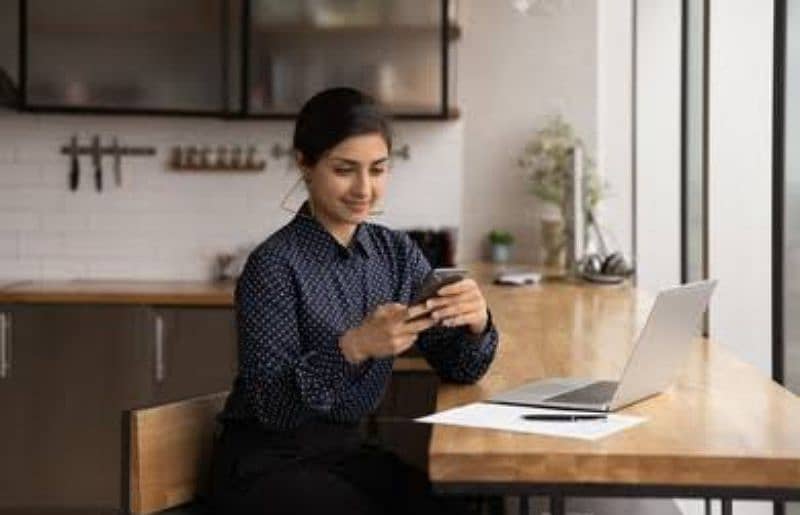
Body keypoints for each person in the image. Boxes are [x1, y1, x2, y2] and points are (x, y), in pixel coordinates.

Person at [210, 87, 499, 515]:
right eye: (345, 169)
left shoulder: (396, 254)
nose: (364, 188)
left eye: (378, 170)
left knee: (467, 507)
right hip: (267, 469)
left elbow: (458, 366)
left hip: (348, 457)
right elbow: (272, 407)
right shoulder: (272, 266)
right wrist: (356, 346)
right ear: (305, 164)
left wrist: (476, 325)